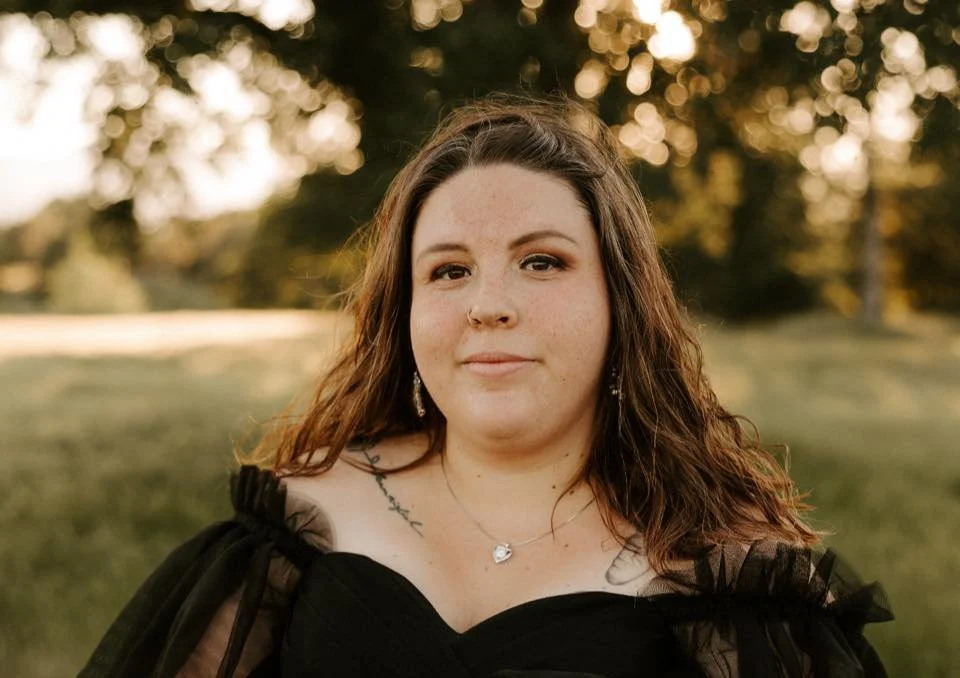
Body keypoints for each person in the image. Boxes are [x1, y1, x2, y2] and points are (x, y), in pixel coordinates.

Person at [80, 94, 892, 678]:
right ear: (405, 310)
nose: (489, 306)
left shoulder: (724, 572)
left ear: (622, 302)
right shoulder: (303, 520)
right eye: (449, 270)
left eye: (542, 262)